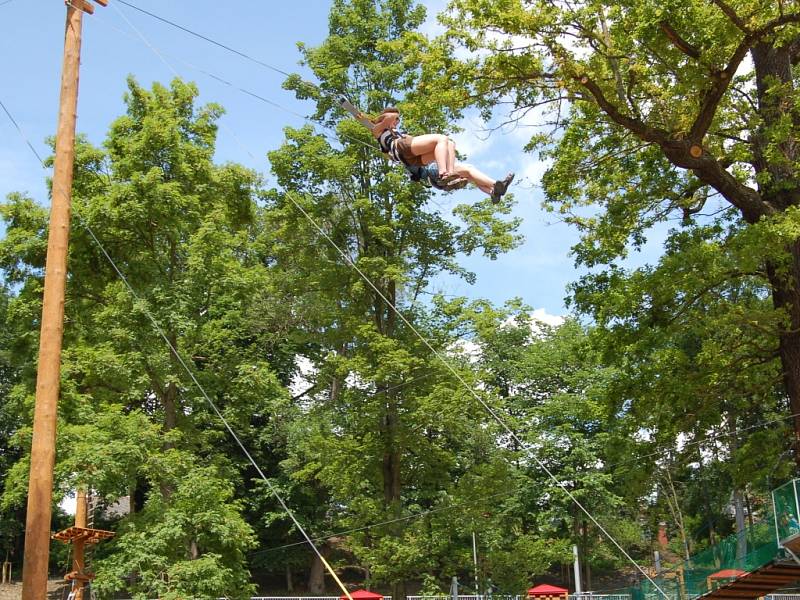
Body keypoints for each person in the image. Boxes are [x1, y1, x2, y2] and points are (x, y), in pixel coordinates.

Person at [368, 107, 514, 203]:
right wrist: (392, 115)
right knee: (441, 139)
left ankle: (494, 189)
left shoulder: (398, 134)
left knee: (449, 143)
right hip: (401, 150)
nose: (396, 122)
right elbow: (390, 117)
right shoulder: (378, 130)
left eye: (398, 121)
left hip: (413, 159)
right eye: (396, 121)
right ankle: (445, 173)